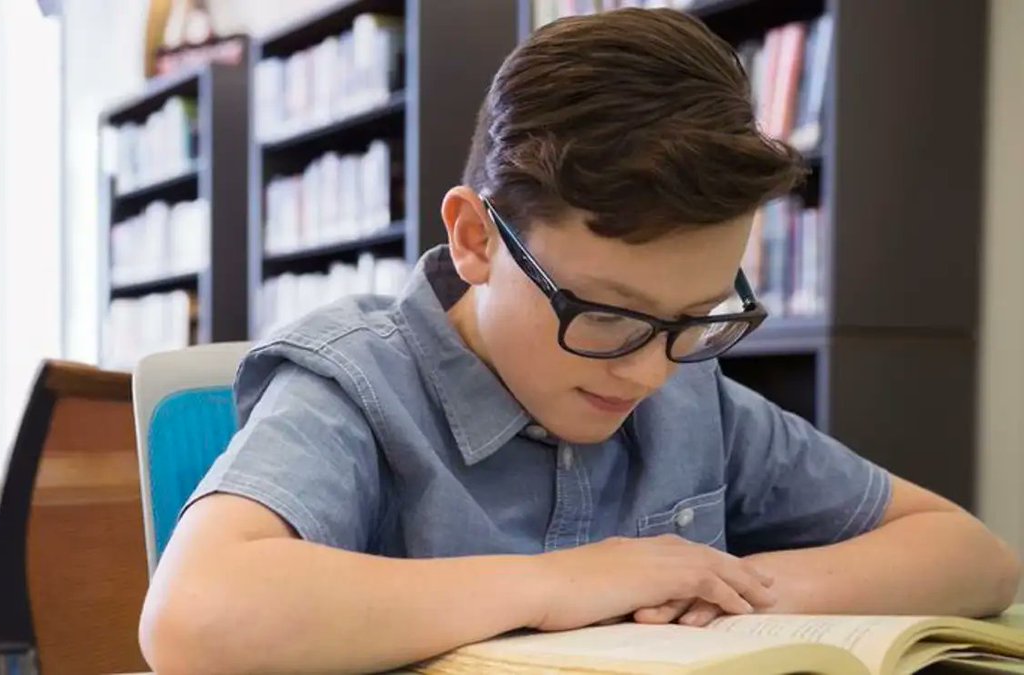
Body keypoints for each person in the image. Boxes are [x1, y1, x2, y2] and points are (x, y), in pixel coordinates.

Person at [139, 8, 1022, 674]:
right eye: (605, 313)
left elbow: (971, 554)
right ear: (475, 239)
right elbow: (193, 614)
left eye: (699, 317)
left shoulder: (686, 389)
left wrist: (734, 597)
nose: (646, 370)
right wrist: (569, 582)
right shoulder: (356, 382)